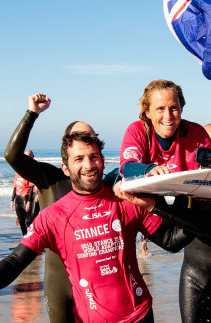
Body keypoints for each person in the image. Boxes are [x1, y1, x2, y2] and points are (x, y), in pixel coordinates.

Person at [0, 131, 191, 323]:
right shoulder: (52, 216)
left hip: (139, 315)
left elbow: (170, 240)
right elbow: (16, 261)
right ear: (65, 168)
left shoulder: (126, 200)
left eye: (93, 157)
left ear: (103, 160)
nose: (88, 165)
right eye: (79, 159)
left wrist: (200, 205)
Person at [119, 115, 211, 323]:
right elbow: (171, 240)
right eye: (202, 146)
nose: (207, 151)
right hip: (192, 277)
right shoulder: (186, 186)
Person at [4, 93, 104, 323]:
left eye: (91, 136)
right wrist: (32, 114)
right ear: (66, 147)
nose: (86, 139)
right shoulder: (50, 178)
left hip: (95, 283)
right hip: (59, 282)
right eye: (79, 136)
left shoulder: (100, 182)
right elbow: (12, 155)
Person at [10, 150, 36, 235]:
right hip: (18, 198)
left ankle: (32, 238)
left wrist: (29, 201)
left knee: (28, 220)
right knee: (20, 220)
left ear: (32, 156)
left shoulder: (29, 172)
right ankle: (25, 237)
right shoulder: (17, 173)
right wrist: (11, 201)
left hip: (25, 197)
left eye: (29, 155)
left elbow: (32, 188)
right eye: (25, 155)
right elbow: (15, 187)